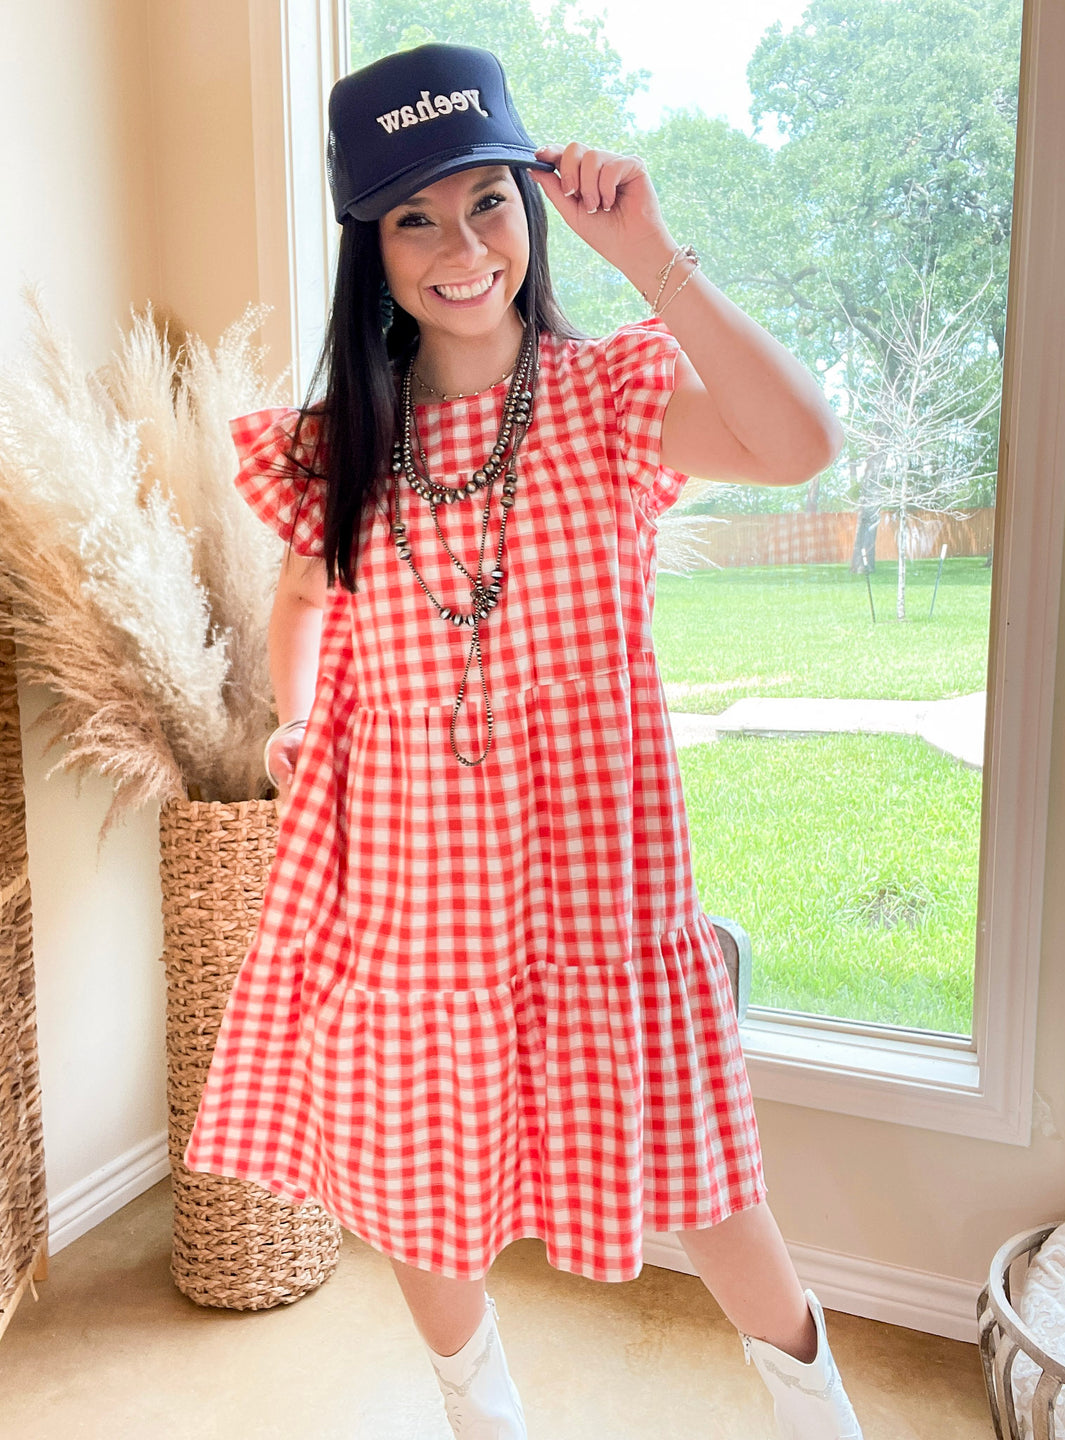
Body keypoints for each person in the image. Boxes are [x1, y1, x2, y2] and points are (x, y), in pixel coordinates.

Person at [184, 41, 861, 1440]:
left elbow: (800, 445)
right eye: (414, 218)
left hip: (595, 873)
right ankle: (483, 1418)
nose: (458, 246)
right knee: (425, 1181)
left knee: (713, 1186)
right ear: (371, 247)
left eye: (486, 200)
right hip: (414, 880)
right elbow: (301, 595)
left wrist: (654, 255)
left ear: (531, 210)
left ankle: (819, 1418)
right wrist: (301, 720)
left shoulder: (610, 402)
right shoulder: (340, 450)